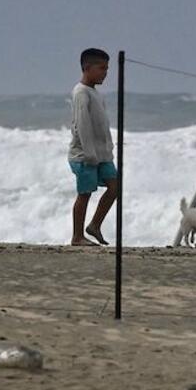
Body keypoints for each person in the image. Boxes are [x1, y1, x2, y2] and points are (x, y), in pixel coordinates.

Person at [68, 47, 119, 246]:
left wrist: (108, 149)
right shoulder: (81, 93)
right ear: (87, 68)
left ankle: (95, 225)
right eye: (101, 68)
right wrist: (90, 154)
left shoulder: (95, 93)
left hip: (102, 154)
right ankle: (77, 236)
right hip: (84, 155)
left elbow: (101, 124)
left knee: (115, 187)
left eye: (107, 69)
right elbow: (83, 125)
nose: (105, 73)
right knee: (85, 193)